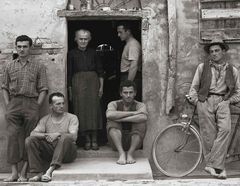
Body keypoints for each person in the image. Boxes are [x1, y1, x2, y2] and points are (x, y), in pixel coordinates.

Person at [187, 38, 240, 179]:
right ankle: (219, 169)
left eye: (217, 51)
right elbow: (193, 88)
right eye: (211, 51)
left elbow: (238, 92)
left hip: (223, 101)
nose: (214, 53)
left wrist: (228, 101)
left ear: (223, 51)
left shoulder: (232, 70)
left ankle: (210, 164)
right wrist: (197, 102)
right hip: (205, 100)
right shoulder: (202, 67)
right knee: (209, 135)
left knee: (225, 130)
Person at [1, 35, 48, 182]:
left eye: (25, 46)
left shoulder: (38, 66)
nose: (22, 49)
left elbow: (44, 89)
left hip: (31, 103)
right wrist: (8, 106)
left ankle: (24, 173)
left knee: (30, 139)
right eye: (19, 46)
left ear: (30, 48)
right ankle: (14, 173)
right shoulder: (9, 66)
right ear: (16, 47)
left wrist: (36, 106)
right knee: (12, 137)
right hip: (14, 104)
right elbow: (4, 88)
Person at [25, 92, 79, 182]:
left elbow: (73, 136)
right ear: (51, 106)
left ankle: (49, 171)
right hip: (51, 151)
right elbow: (33, 133)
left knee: (65, 137)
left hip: (68, 153)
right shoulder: (45, 119)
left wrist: (57, 134)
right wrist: (47, 135)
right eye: (58, 104)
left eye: (63, 103)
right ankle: (38, 173)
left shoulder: (72, 117)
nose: (62, 106)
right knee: (29, 140)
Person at [67, 29, 104, 150]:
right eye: (80, 39)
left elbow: (100, 71)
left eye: (85, 39)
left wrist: (101, 87)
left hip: (93, 83)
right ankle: (87, 139)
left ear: (89, 40)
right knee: (81, 111)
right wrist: (70, 91)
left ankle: (95, 138)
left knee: (94, 111)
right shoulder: (71, 53)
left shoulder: (94, 53)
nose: (83, 41)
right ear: (75, 39)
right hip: (78, 83)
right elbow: (69, 74)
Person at [106, 80, 148, 165]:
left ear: (135, 93)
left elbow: (143, 117)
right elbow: (109, 115)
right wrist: (133, 113)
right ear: (121, 93)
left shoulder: (140, 105)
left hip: (134, 142)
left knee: (141, 124)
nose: (128, 95)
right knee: (112, 123)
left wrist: (120, 118)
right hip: (116, 142)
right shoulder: (113, 104)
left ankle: (130, 154)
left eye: (131, 92)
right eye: (125, 93)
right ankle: (121, 153)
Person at [117, 22, 142, 100]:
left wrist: (128, 84)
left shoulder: (133, 45)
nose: (118, 35)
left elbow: (134, 65)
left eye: (120, 32)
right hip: (128, 76)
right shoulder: (129, 44)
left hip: (131, 77)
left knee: (129, 102)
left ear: (128, 32)